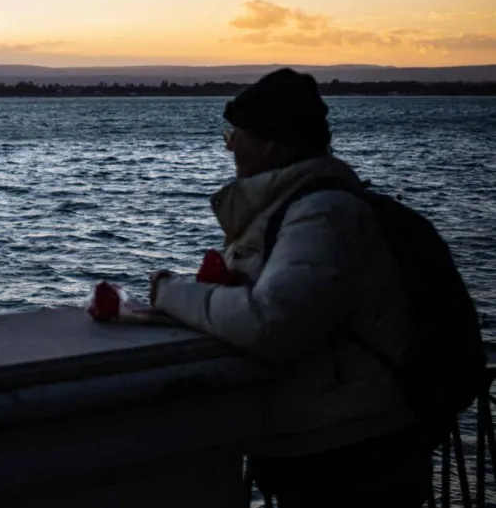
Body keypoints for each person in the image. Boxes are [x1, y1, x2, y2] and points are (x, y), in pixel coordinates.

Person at [149, 68, 428, 507]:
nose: (228, 146)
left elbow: (272, 323)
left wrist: (167, 292)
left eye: (233, 134)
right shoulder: (300, 208)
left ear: (267, 144)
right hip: (332, 447)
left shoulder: (322, 215)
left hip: (349, 456)